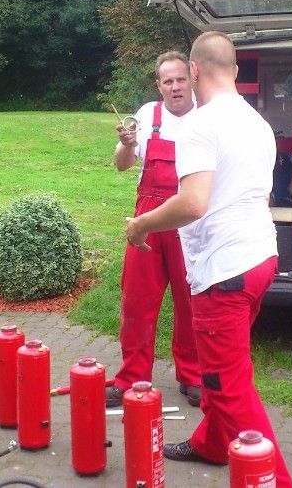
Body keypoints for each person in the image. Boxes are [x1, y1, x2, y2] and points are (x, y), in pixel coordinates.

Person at [124, 32, 292, 487]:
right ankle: (212, 445)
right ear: (235, 71)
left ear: (195, 71)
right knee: (227, 367)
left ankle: (275, 478)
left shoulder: (201, 124)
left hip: (226, 272)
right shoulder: (256, 122)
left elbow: (193, 203)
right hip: (261, 259)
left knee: (228, 385)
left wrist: (140, 225)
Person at [107, 51, 202, 409]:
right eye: (168, 81)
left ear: (191, 79)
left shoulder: (206, 116)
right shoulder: (148, 116)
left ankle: (192, 376)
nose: (175, 87)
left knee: (190, 301)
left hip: (188, 222)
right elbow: (120, 165)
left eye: (180, 79)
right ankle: (132, 377)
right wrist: (128, 145)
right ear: (158, 85)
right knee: (136, 300)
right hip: (146, 222)